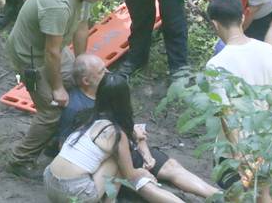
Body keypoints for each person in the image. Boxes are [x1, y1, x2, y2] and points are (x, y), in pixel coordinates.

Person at [57, 55, 220, 199]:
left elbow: (127, 125)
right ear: (86, 81)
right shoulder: (76, 108)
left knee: (171, 166)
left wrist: (146, 153)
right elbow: (67, 146)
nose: (108, 72)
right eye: (101, 71)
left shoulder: (111, 90)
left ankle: (222, 197)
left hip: (127, 146)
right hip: (109, 159)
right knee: (143, 184)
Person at [5, 0, 110, 177]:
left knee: (84, 83)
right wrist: (58, 88)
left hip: (55, 51)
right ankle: (19, 160)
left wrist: (82, 64)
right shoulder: (58, 5)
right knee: (51, 110)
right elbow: (51, 53)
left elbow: (81, 28)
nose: (100, 0)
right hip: (31, 58)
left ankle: (56, 141)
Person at [45, 72, 185, 203]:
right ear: (124, 99)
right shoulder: (115, 133)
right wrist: (143, 172)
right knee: (116, 161)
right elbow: (130, 174)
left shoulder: (85, 117)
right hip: (75, 191)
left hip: (49, 180)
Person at [206, 0, 272, 200]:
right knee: (264, 194)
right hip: (266, 144)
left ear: (215, 24)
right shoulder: (269, 51)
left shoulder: (216, 65)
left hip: (234, 151)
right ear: (242, 17)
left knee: (236, 197)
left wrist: (239, 155)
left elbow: (226, 113)